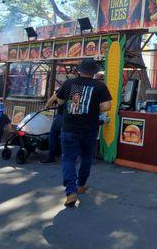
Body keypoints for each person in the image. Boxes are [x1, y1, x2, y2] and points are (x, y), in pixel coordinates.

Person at [56, 59, 112, 207]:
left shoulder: (69, 83)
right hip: (89, 129)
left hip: (69, 128)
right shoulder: (100, 86)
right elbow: (107, 106)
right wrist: (92, 107)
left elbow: (60, 101)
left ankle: (71, 192)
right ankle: (81, 185)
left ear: (79, 70)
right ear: (94, 72)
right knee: (86, 157)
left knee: (68, 159)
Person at [40, 91, 66, 164]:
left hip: (61, 116)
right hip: (73, 118)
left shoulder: (64, 87)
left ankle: (51, 157)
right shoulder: (77, 89)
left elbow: (54, 98)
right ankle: (62, 154)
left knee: (53, 135)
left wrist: (46, 107)